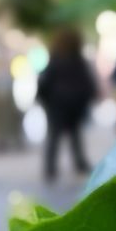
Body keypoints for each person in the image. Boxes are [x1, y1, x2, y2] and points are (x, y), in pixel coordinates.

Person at [36, 27, 98, 182]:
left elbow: (44, 83)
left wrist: (44, 100)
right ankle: (78, 163)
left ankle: (50, 168)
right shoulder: (78, 61)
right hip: (74, 105)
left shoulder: (55, 60)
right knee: (74, 136)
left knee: (55, 137)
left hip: (57, 104)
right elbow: (88, 83)